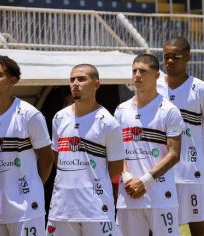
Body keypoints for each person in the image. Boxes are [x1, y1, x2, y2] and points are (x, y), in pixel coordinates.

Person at [46, 64, 124, 236]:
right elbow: (56, 157)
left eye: (81, 79)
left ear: (96, 84)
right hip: (61, 209)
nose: (75, 83)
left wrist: (90, 182)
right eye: (72, 79)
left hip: (96, 209)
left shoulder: (108, 123)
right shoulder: (59, 118)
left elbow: (117, 166)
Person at [157, 36, 204, 236]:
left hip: (190, 170)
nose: (169, 61)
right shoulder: (154, 86)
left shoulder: (201, 89)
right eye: (166, 56)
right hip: (158, 167)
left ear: (187, 57)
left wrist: (201, 160)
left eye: (175, 57)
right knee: (160, 221)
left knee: (196, 221)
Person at [115, 54, 184, 236]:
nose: (137, 75)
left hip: (160, 195)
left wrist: (144, 181)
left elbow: (174, 154)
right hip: (128, 193)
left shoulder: (170, 111)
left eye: (143, 71)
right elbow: (116, 150)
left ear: (156, 75)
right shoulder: (121, 110)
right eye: (134, 71)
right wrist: (128, 177)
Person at [0, 55, 54, 236]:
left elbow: (46, 158)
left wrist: (32, 186)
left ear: (13, 80)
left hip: (26, 209)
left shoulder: (30, 115)